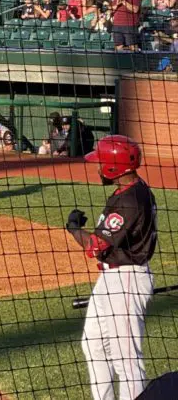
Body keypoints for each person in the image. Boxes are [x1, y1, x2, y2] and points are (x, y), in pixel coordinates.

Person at [65, 135, 156, 400]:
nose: (97, 167)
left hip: (126, 281)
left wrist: (73, 229)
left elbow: (96, 246)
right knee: (93, 343)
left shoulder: (130, 200)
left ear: (113, 168)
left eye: (101, 162)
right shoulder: (132, 190)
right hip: (111, 278)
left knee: (126, 359)